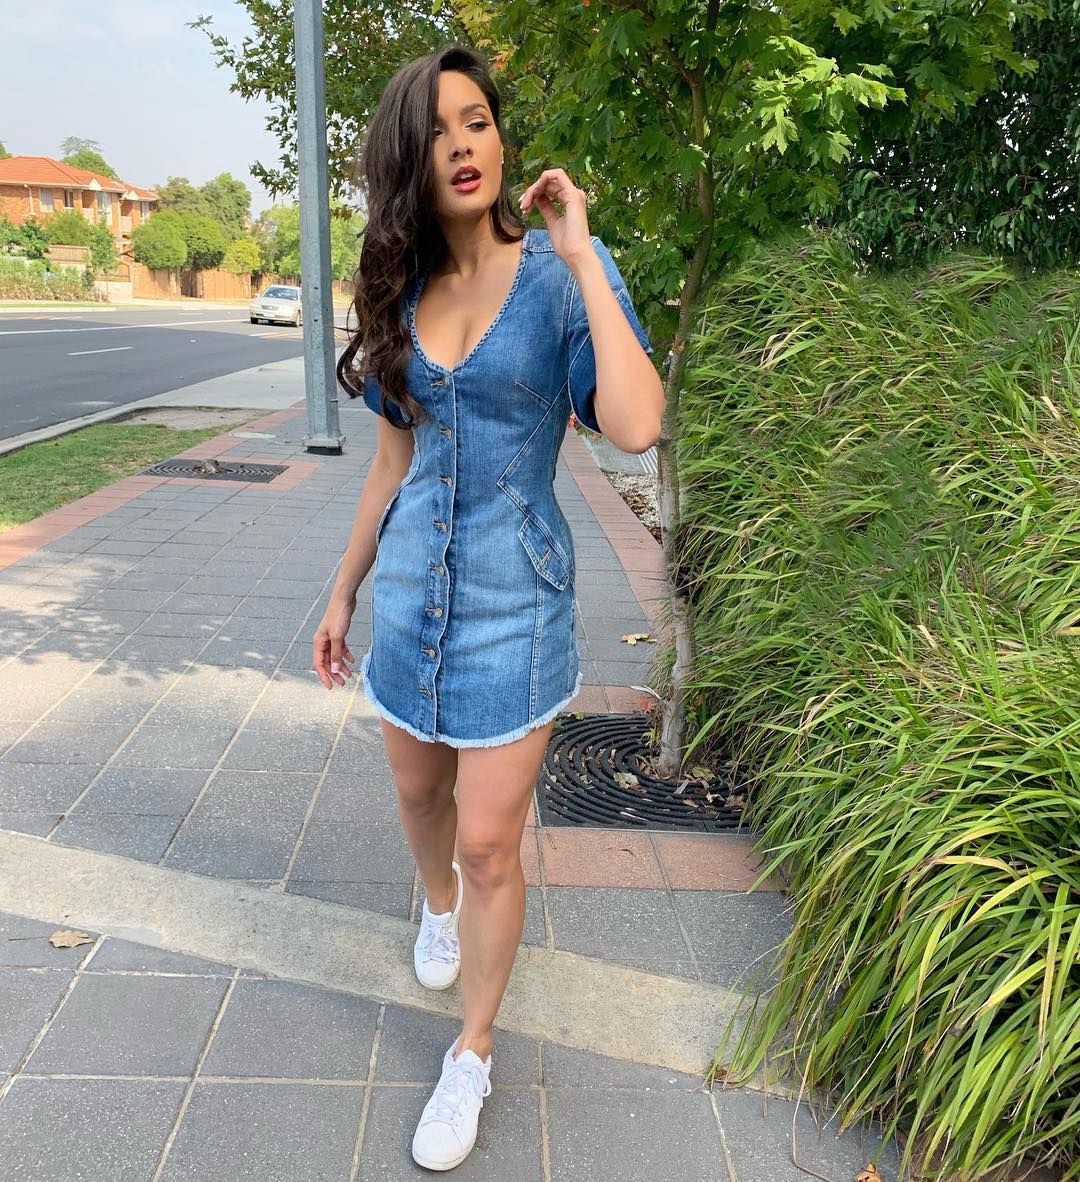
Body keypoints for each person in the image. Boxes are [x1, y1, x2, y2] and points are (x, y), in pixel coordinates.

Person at [312, 43, 663, 1173]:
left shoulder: (562, 276)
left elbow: (636, 424)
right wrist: (342, 591)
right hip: (411, 597)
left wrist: (585, 254)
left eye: (477, 121)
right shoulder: (403, 288)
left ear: (501, 137)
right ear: (407, 163)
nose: (463, 146)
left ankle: (472, 1050)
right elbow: (389, 467)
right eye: (435, 133)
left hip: (519, 606)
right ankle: (435, 907)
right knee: (421, 800)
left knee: (489, 842)